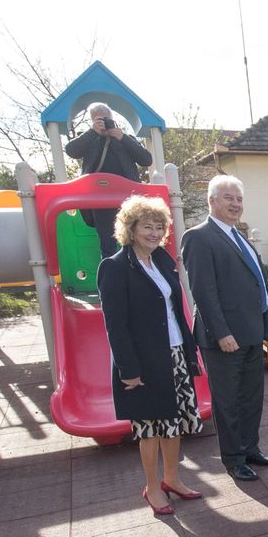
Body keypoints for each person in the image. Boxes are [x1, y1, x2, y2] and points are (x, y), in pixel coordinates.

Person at [98, 196, 203, 515]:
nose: (155, 233)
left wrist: (189, 350)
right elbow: (115, 324)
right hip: (144, 359)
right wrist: (128, 369)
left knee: (173, 420)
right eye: (147, 226)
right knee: (150, 427)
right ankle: (153, 487)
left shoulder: (162, 261)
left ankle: (172, 478)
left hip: (174, 353)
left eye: (160, 227)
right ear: (130, 229)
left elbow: (175, 309)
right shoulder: (114, 267)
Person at [181, 175, 268, 481]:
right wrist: (221, 332)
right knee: (228, 401)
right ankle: (233, 458)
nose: (236, 204)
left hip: (251, 333)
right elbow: (204, 291)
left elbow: (256, 286)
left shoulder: (241, 239)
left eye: (239, 199)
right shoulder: (199, 237)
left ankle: (250, 449)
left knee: (252, 397)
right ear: (212, 200)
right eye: (228, 198)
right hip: (224, 338)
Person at [65, 103, 154, 258]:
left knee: (133, 240)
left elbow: (146, 159)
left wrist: (122, 137)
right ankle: (111, 277)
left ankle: (134, 275)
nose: (105, 123)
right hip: (100, 199)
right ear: (92, 121)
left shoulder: (125, 139)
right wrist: (93, 132)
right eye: (100, 120)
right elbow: (71, 150)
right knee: (108, 244)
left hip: (127, 198)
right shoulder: (90, 139)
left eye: (107, 119)